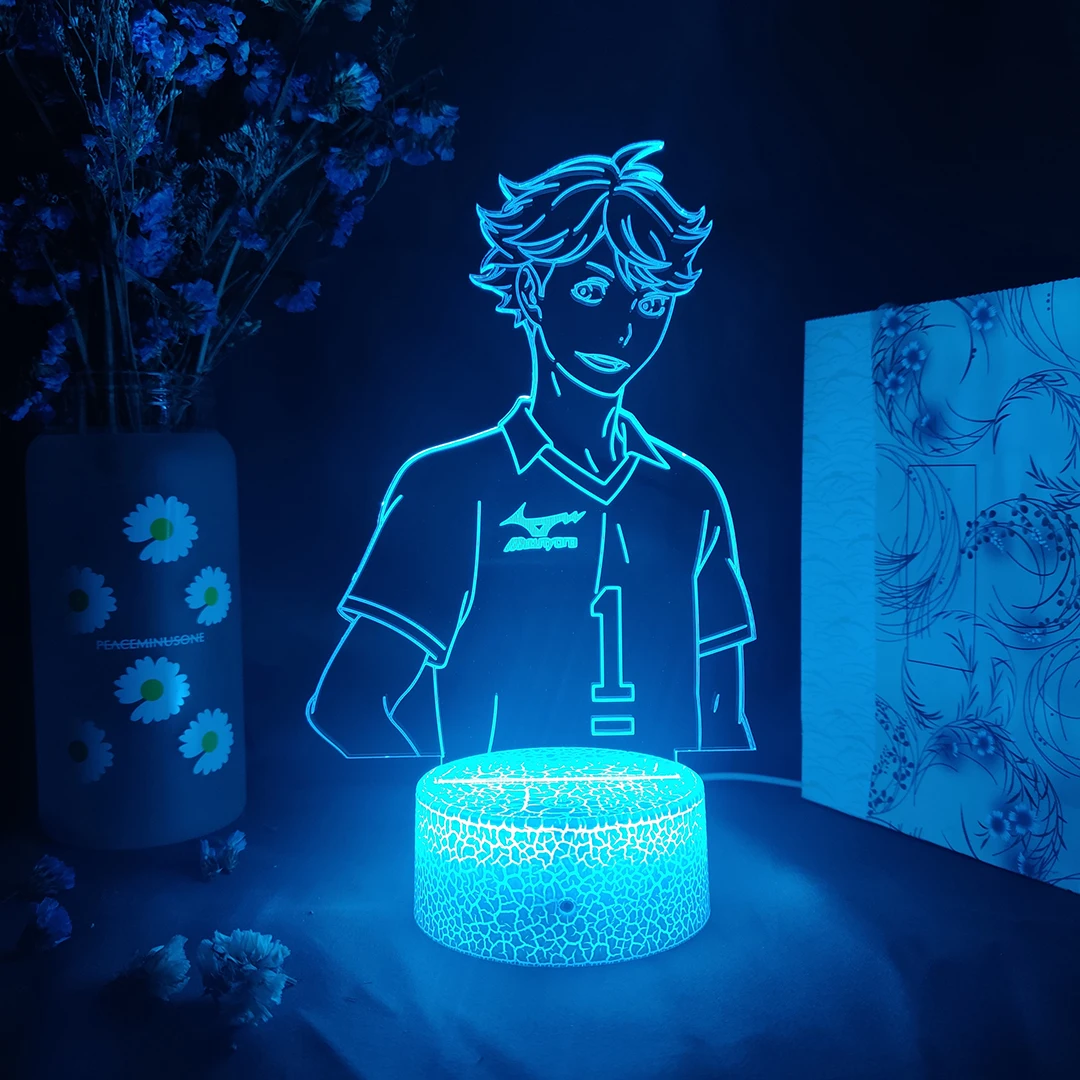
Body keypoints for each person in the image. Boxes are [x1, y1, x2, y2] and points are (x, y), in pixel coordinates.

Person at [306, 141, 756, 766]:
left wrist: (714, 820)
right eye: (594, 290)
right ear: (530, 287)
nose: (624, 329)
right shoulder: (447, 486)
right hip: (504, 824)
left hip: (658, 823)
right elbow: (349, 703)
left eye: (651, 303)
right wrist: (457, 810)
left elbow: (722, 713)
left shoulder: (693, 493)